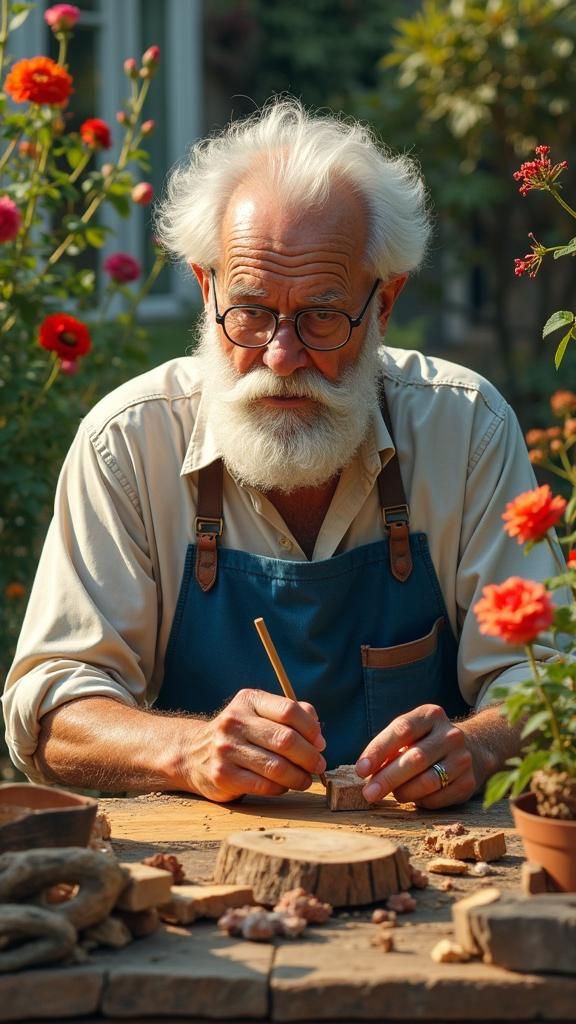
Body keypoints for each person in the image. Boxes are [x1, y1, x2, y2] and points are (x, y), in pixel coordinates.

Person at [2, 99, 563, 809]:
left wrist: (477, 744)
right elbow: (51, 707)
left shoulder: (465, 428)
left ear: (383, 305)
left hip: (436, 859)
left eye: (322, 315)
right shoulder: (129, 442)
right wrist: (187, 750)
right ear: (206, 291)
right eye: (251, 310)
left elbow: (545, 680)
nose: (281, 355)